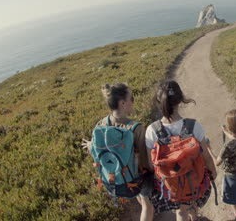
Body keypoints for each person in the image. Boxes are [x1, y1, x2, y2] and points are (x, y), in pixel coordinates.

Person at [145, 80, 217, 221]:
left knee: (180, 212)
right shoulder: (194, 125)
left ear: (159, 102)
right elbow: (206, 157)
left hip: (171, 184)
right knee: (192, 202)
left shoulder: (152, 130)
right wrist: (213, 171)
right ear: (180, 100)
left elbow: (150, 163)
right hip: (193, 179)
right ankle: (194, 217)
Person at [81, 83, 154, 221]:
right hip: (136, 177)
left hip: (115, 179)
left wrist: (91, 145)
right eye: (131, 98)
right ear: (122, 103)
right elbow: (145, 161)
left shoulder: (101, 125)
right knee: (147, 205)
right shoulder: (136, 128)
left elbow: (97, 155)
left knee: (140, 198)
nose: (133, 101)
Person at [215, 109, 236, 220]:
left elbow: (217, 163)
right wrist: (225, 131)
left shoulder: (228, 146)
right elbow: (235, 138)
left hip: (231, 176)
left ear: (231, 128)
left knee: (231, 194)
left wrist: (208, 149)